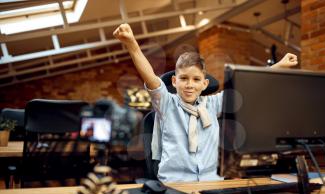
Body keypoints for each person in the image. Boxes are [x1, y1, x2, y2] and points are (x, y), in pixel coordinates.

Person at [113, 23, 298, 182]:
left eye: (195, 79)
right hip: (175, 184)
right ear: (174, 82)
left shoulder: (213, 104)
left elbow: (248, 88)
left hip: (213, 182)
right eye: (184, 78)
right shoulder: (167, 104)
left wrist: (279, 66)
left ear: (205, 83)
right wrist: (132, 44)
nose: (189, 85)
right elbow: (151, 78)